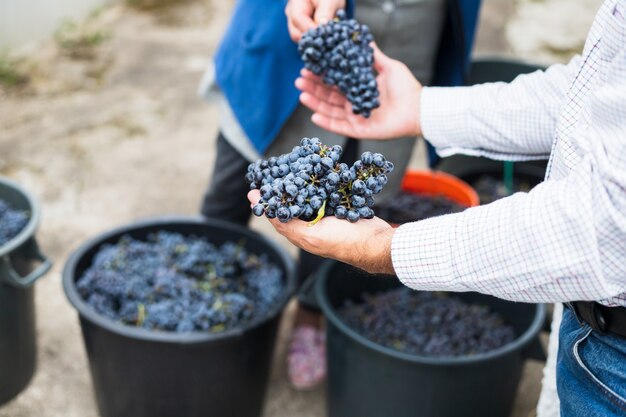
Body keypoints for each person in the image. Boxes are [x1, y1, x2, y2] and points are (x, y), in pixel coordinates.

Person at [248, 0, 626, 415]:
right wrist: (423, 108)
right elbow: (587, 93)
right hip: (594, 319)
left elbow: (604, 225)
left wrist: (386, 247)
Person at [199, 0, 481, 389]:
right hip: (301, 36)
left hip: (411, 30)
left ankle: (310, 317)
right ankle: (205, 286)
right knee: (237, 175)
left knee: (342, 200)